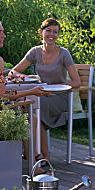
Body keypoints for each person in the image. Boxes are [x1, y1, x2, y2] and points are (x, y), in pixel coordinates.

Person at [0, 16, 51, 175]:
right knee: (31, 117)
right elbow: (2, 95)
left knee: (23, 107)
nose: (4, 36)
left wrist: (10, 78)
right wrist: (31, 92)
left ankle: (30, 156)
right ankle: (34, 166)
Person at [9, 18, 81, 164]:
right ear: (41, 32)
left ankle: (39, 154)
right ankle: (38, 154)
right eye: (48, 31)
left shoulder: (64, 53)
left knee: (33, 107)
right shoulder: (35, 52)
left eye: (55, 32)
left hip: (59, 97)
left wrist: (55, 87)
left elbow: (76, 82)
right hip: (41, 95)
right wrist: (23, 76)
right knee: (30, 106)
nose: (52, 35)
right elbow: (13, 72)